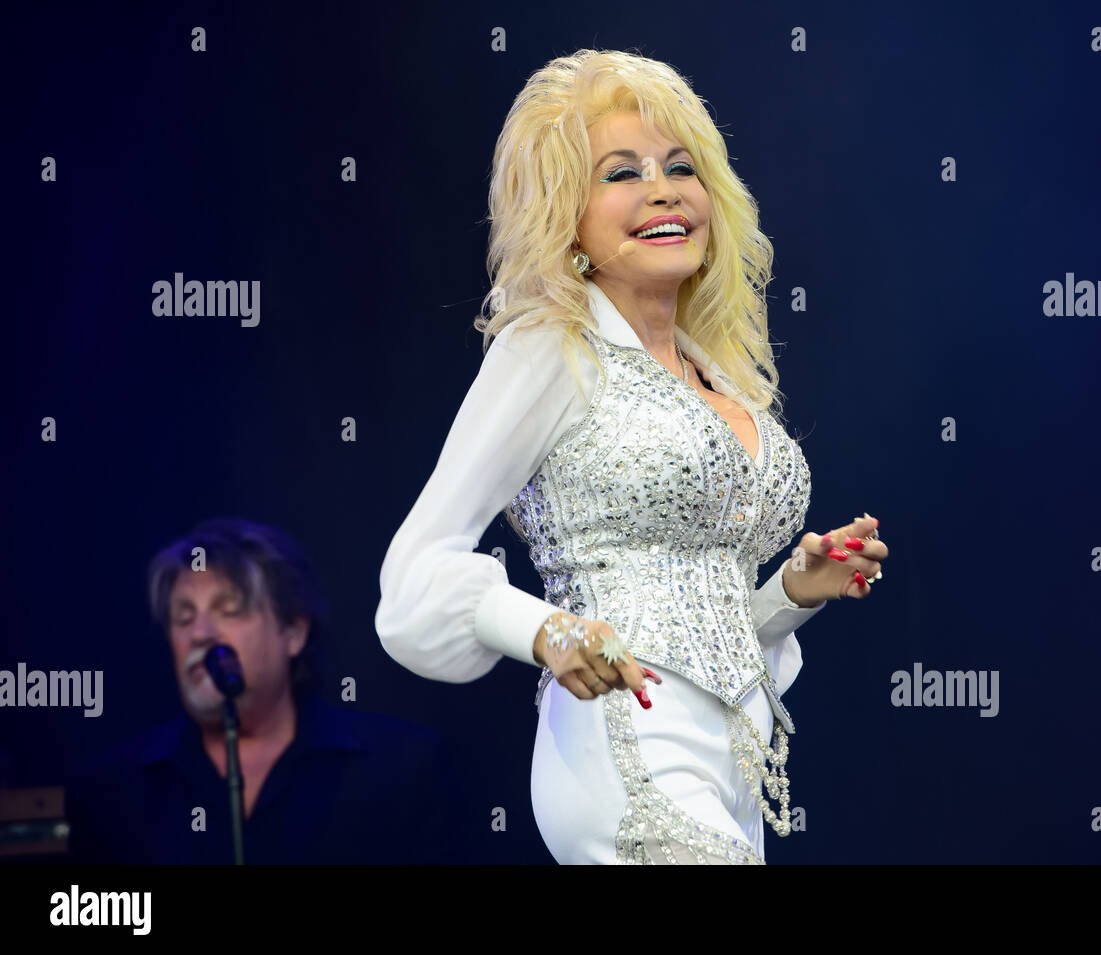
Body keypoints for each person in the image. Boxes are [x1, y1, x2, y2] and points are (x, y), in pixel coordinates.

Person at [375, 49, 888, 864]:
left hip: (734, 766)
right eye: (622, 173)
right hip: (624, 752)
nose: (661, 187)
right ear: (567, 221)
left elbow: (702, 634)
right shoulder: (550, 350)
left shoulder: (717, 376)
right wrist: (547, 631)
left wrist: (793, 592)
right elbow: (411, 578)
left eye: (679, 166)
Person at [66, 517, 463, 864]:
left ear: (293, 631)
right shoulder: (112, 792)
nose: (200, 635)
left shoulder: (403, 770)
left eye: (230, 611)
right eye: (183, 618)